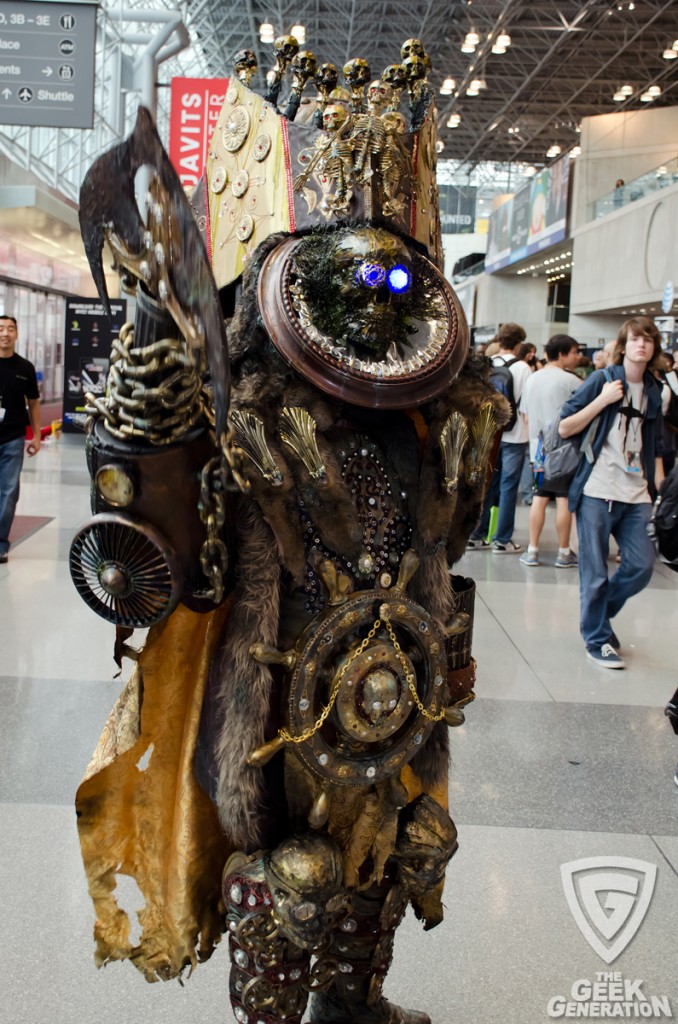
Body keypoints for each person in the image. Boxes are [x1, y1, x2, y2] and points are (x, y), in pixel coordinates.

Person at [68, 65, 509, 1024]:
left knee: (402, 836)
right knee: (290, 866)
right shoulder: (246, 391)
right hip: (275, 666)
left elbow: (457, 533)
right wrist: (160, 350)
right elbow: (155, 516)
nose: (373, 296)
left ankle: (354, 1002)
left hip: (403, 649)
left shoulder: (440, 407)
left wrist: (470, 430)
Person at [559, 316, 664, 669]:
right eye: (636, 338)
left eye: (648, 339)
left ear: (654, 348)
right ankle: (597, 639)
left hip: (638, 493)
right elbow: (564, 425)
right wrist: (603, 401)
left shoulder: (654, 389)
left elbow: (656, 444)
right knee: (595, 572)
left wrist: (658, 487)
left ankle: (597, 618)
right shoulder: (602, 379)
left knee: (641, 566)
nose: (642, 344)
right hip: (598, 489)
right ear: (624, 344)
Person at [467, 322, 531, 553]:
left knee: (486, 484)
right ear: (519, 342)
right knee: (508, 488)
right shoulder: (523, 368)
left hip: (489, 433)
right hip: (515, 436)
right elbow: (525, 407)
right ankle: (502, 540)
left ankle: (476, 535)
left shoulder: (489, 363)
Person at [518, 334, 582, 567]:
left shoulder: (532, 379)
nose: (577, 357)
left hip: (538, 452)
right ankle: (563, 552)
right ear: (562, 353)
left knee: (539, 498)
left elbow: (524, 415)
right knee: (564, 500)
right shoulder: (572, 382)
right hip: (565, 453)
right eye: (575, 352)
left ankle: (532, 550)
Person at [0, 315, 41, 563]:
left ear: (17, 334)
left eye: (10, 329)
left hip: (13, 439)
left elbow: (34, 405)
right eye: (1, 329)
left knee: (9, 491)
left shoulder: (25, 369)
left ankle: (1, 542)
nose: (5, 333)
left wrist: (36, 436)